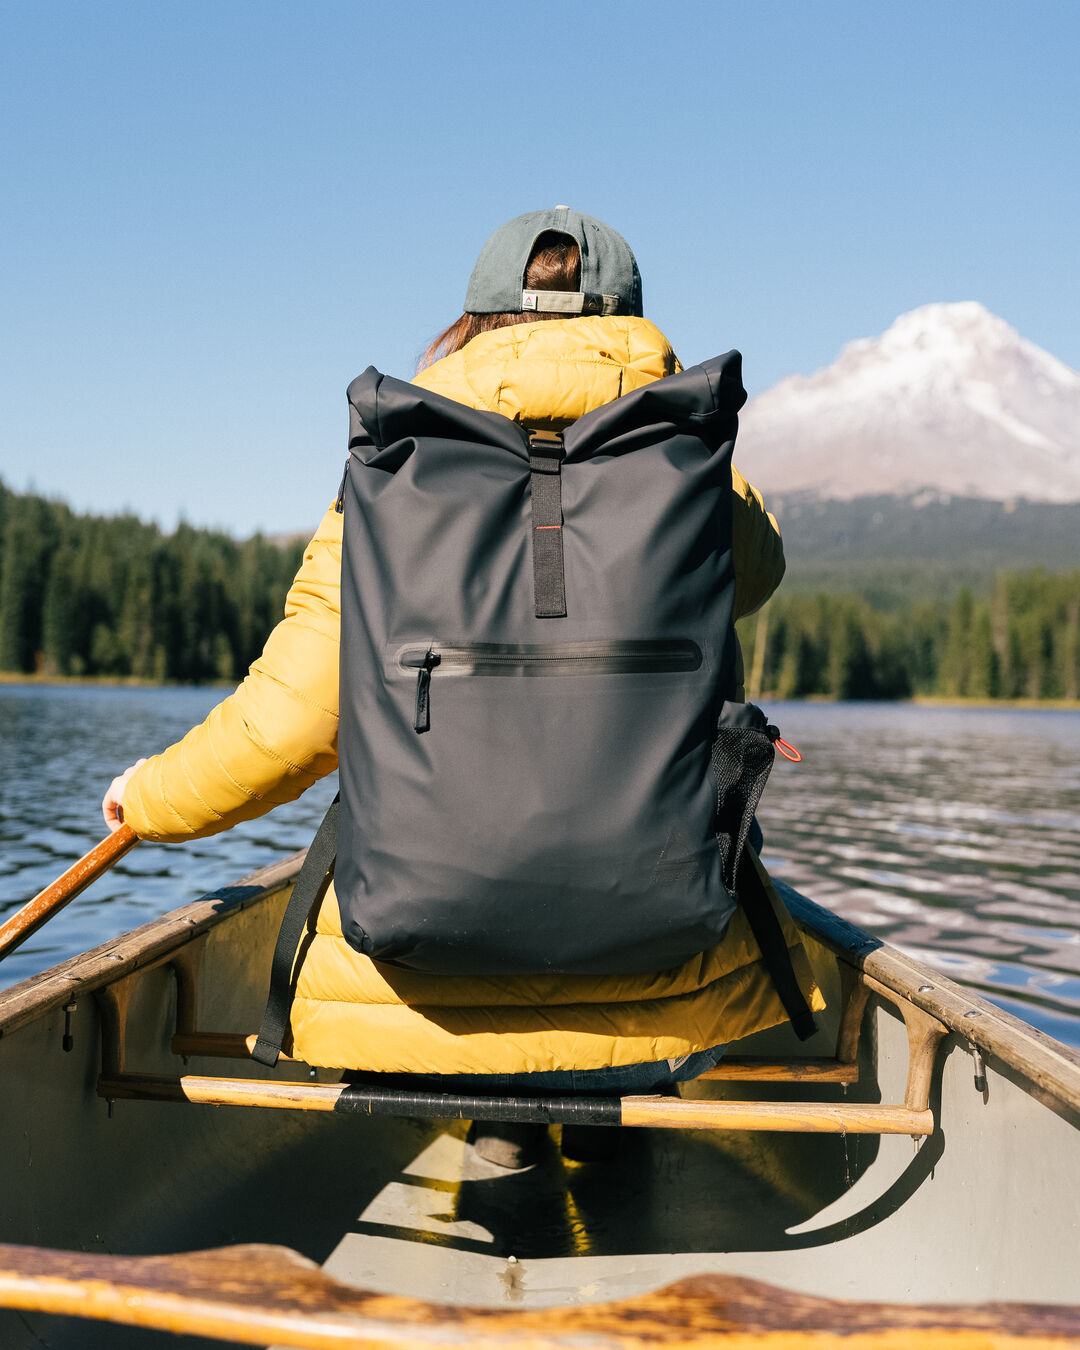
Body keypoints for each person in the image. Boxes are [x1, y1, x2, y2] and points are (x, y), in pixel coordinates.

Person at [103, 208, 821, 1168]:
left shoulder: (392, 469)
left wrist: (145, 800)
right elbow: (762, 566)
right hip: (666, 988)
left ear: (471, 324)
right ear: (629, 322)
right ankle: (613, 1143)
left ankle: (495, 1135)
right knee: (649, 1034)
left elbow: (289, 728)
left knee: (455, 1038)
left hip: (420, 1005)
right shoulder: (693, 471)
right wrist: (664, 421)